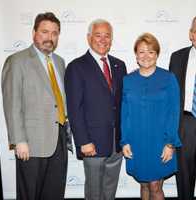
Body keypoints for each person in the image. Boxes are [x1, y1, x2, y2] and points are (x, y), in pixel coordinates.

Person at [2, 12, 69, 200]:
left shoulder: (60, 62)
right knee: (29, 194)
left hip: (59, 140)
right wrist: (19, 140)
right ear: (34, 33)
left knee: (54, 193)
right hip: (31, 144)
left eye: (55, 33)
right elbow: (12, 102)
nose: (50, 37)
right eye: (45, 32)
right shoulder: (17, 61)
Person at [64, 19, 127, 200]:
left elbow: (121, 103)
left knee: (110, 191)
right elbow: (74, 108)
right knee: (94, 193)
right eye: (98, 35)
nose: (103, 39)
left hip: (116, 143)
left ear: (111, 39)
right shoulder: (76, 67)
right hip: (92, 143)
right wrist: (83, 141)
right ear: (89, 38)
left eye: (107, 36)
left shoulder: (119, 65)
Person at [121, 33, 181, 200]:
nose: (146, 56)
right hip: (136, 141)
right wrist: (124, 141)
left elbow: (174, 112)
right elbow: (124, 113)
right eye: (141, 52)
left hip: (160, 141)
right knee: (144, 183)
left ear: (157, 54)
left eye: (151, 52)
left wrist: (170, 143)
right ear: (136, 55)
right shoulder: (128, 80)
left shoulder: (168, 78)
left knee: (155, 185)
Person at [169, 16, 196, 200]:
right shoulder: (177, 57)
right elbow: (170, 96)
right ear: (191, 33)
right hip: (185, 124)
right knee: (184, 178)